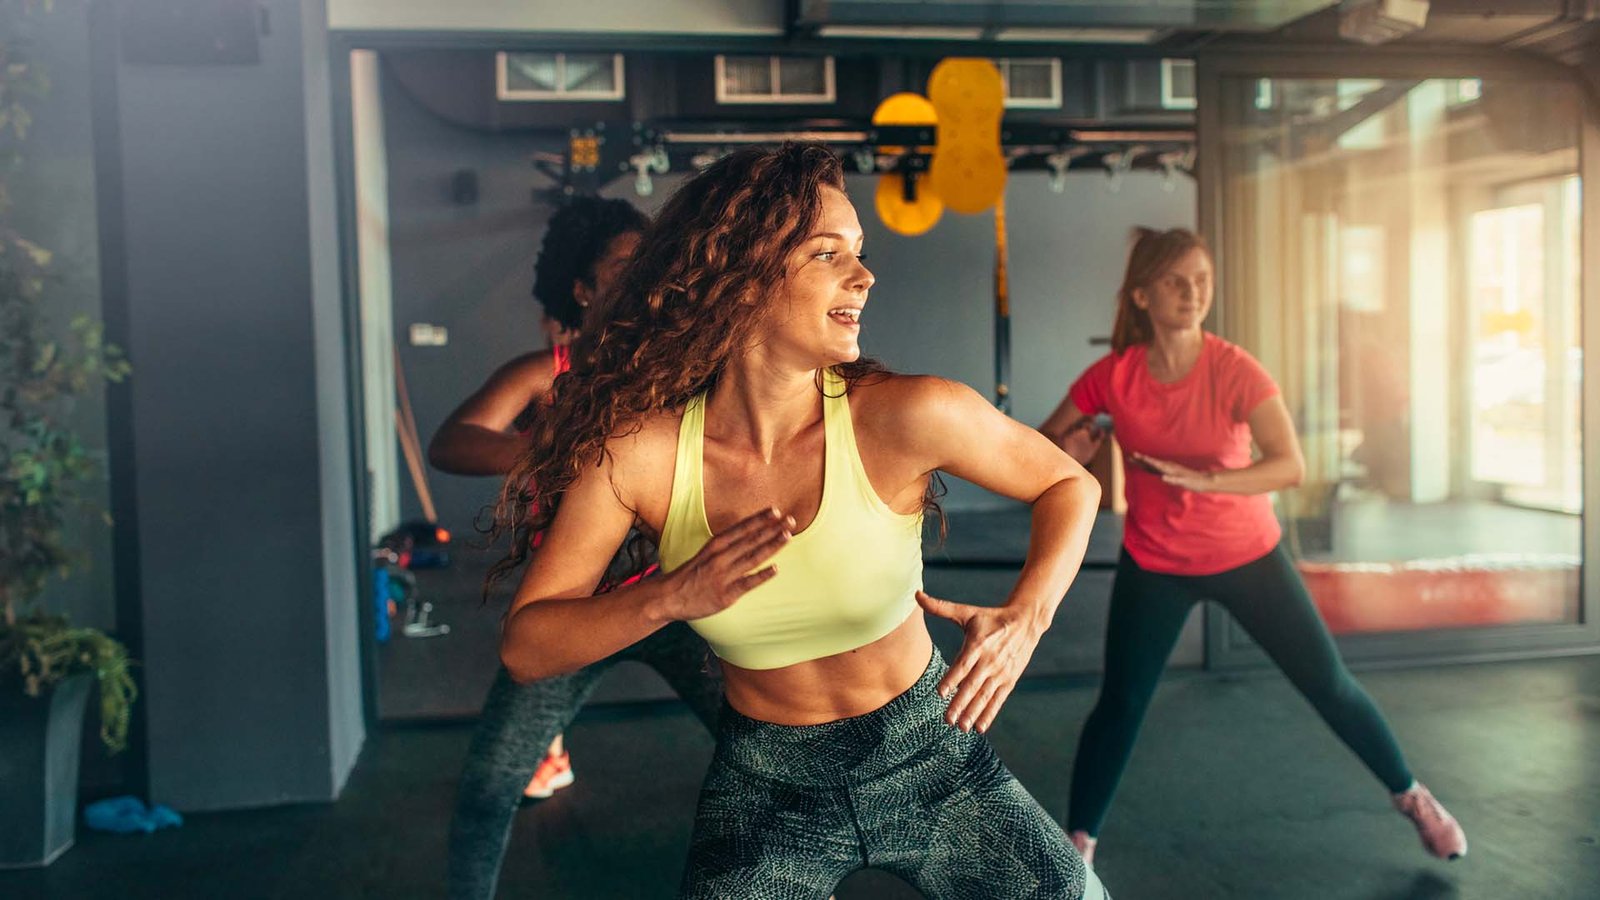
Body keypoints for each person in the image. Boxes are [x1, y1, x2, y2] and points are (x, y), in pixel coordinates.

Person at [495, 142, 1109, 899]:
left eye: (860, 252)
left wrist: (1028, 615)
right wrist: (670, 598)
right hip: (766, 784)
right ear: (745, 274)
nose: (865, 275)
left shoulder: (908, 415)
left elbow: (1068, 482)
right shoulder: (640, 456)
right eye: (829, 253)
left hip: (931, 752)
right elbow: (527, 647)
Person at [1039, 227, 1468, 866]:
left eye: (1202, 281)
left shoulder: (1234, 368)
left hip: (1248, 556)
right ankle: (1077, 849)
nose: (1192, 293)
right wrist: (1068, 456)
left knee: (1328, 683)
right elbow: (1036, 447)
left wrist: (1210, 481)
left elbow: (1288, 465)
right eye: (1175, 282)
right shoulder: (1113, 376)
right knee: (1121, 703)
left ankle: (1412, 796)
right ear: (1141, 297)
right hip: (1156, 562)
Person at [431, 196, 725, 900]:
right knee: (491, 784)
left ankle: (803, 878)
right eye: (625, 267)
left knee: (767, 742)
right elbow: (453, 441)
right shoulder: (544, 372)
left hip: (677, 597)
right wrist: (541, 447)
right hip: (572, 610)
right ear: (584, 286)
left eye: (651, 265)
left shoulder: (682, 370)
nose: (645, 280)